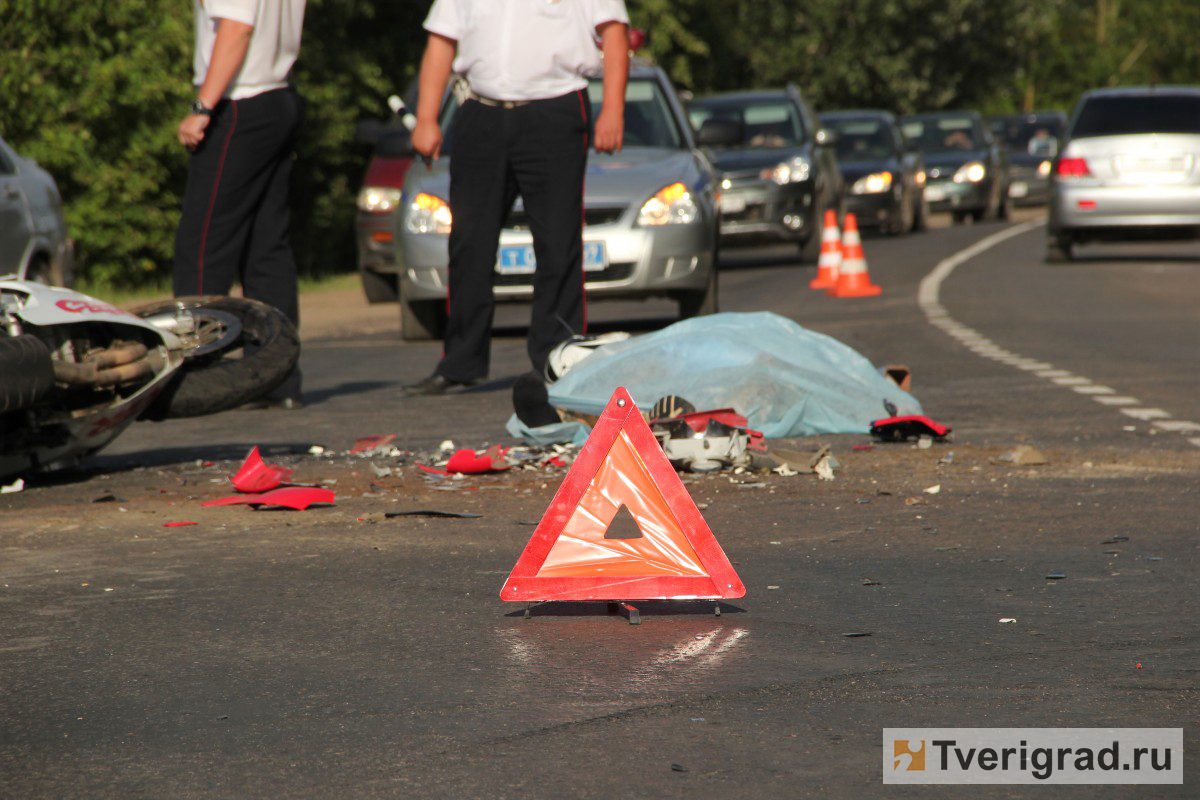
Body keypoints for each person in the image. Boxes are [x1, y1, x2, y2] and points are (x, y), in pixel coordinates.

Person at [402, 0, 630, 396]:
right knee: (469, 241)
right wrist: (426, 118)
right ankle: (461, 362)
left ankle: (557, 360)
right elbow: (441, 41)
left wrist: (613, 108)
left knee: (558, 243)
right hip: (480, 113)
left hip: (555, 111)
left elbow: (614, 33)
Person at [174, 0, 307, 409]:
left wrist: (202, 107)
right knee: (266, 248)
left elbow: (236, 28)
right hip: (278, 97)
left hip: (240, 104)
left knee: (202, 247)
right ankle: (275, 378)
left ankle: (194, 377)